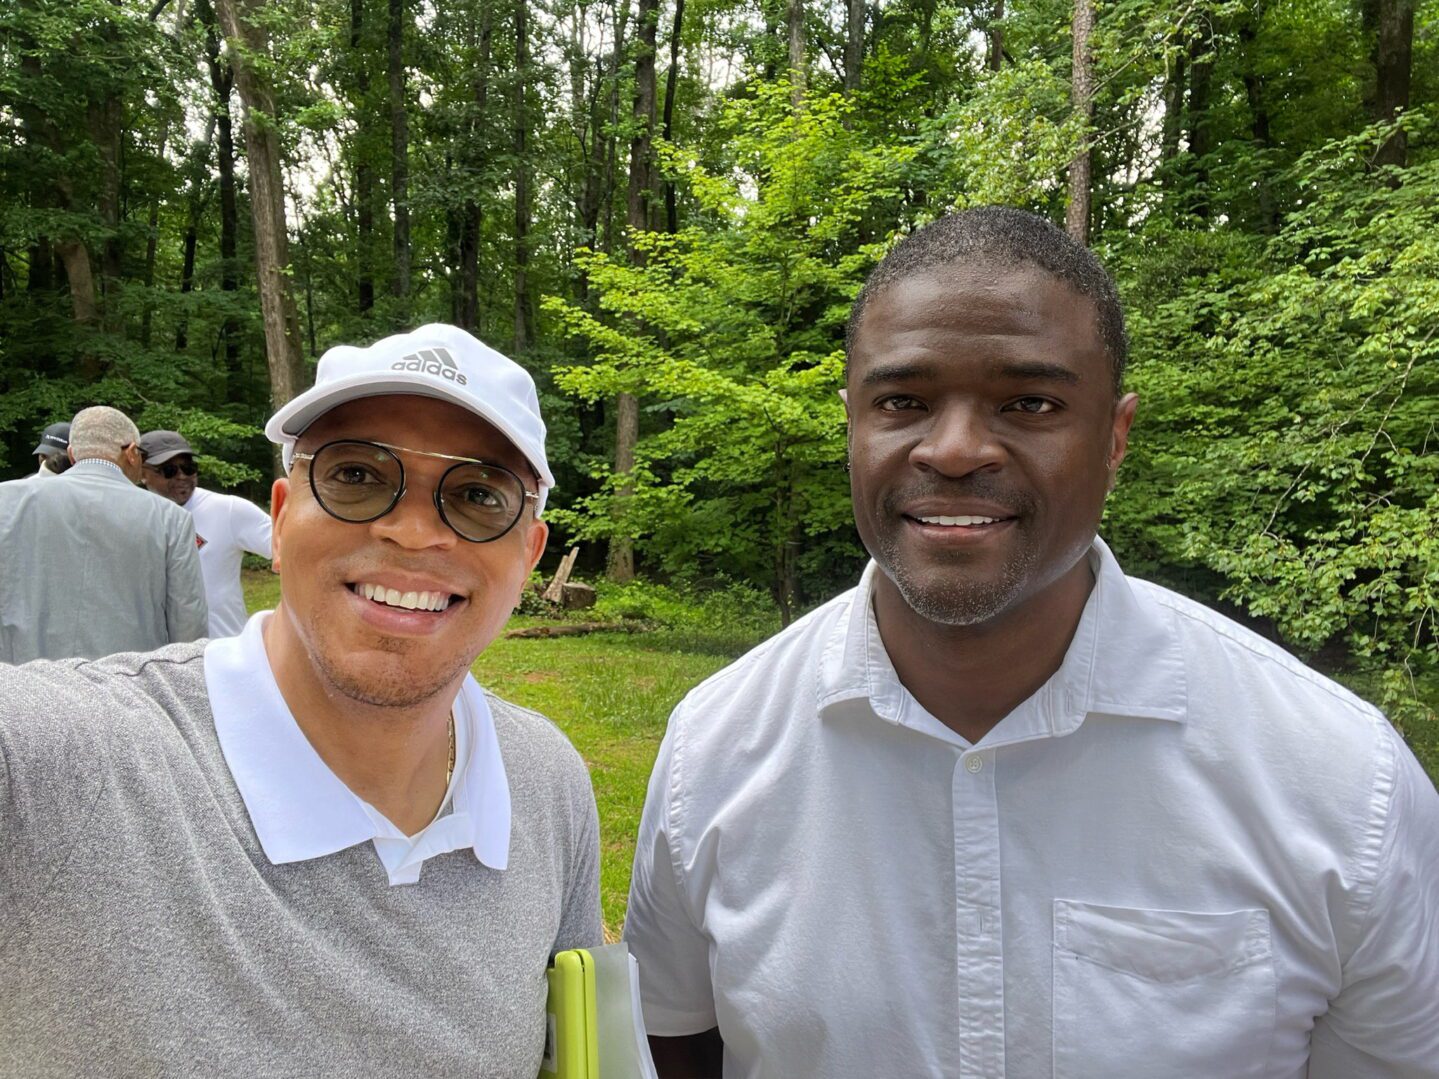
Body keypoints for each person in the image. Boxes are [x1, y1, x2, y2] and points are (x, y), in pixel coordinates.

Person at [623, 208, 1439, 1078]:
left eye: (1030, 402)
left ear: (1115, 435)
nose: (955, 448)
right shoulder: (711, 750)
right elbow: (669, 1040)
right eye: (902, 401)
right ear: (851, 424)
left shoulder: (1343, 783)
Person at [0, 325, 601, 1076]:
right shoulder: (62, 764)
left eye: (479, 494)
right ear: (281, 518)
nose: (413, 532)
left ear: (529, 554)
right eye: (355, 475)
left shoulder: (545, 781)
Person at [0, 406, 207, 663]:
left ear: (73, 454)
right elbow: (188, 623)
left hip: (22, 686)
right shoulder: (171, 518)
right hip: (127, 688)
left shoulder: (6, 500)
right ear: (132, 453)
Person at [139, 429, 274, 638]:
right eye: (169, 470)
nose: (182, 476)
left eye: (189, 468)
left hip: (220, 653)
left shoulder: (228, 510)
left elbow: (293, 553)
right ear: (141, 473)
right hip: (157, 657)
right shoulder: (132, 517)